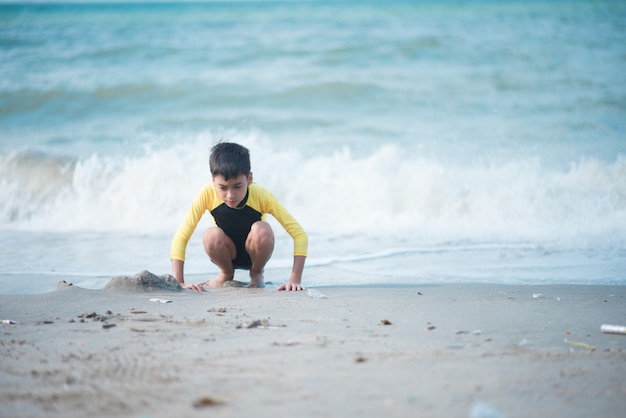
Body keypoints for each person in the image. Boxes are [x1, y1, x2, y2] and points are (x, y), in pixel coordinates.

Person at [170, 142, 308, 292]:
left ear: (249, 178)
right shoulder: (207, 193)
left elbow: (299, 234)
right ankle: (226, 273)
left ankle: (256, 273)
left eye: (237, 186)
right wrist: (179, 282)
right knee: (210, 235)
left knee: (262, 229)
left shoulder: (261, 195)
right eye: (222, 187)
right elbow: (181, 236)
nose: (230, 195)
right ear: (213, 181)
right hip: (225, 252)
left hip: (255, 252)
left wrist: (295, 280)